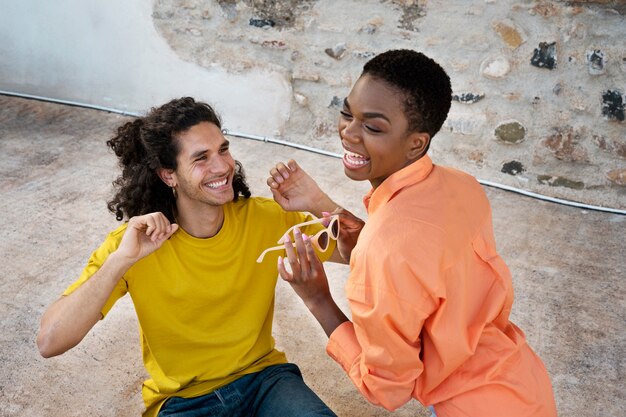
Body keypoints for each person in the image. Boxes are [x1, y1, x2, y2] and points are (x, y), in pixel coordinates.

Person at [267, 50, 558, 417]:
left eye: (373, 127)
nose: (349, 133)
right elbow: (413, 261)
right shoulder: (462, 186)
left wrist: (318, 299)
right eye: (346, 113)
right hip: (523, 384)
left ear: (417, 143)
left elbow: (387, 389)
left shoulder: (385, 250)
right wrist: (319, 203)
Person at [36, 97, 341, 417]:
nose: (222, 166)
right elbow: (50, 341)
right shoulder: (134, 244)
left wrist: (319, 200)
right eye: (201, 158)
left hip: (265, 381)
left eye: (223, 150)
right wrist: (120, 262)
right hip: (183, 401)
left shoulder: (264, 219)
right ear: (169, 175)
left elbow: (365, 253)